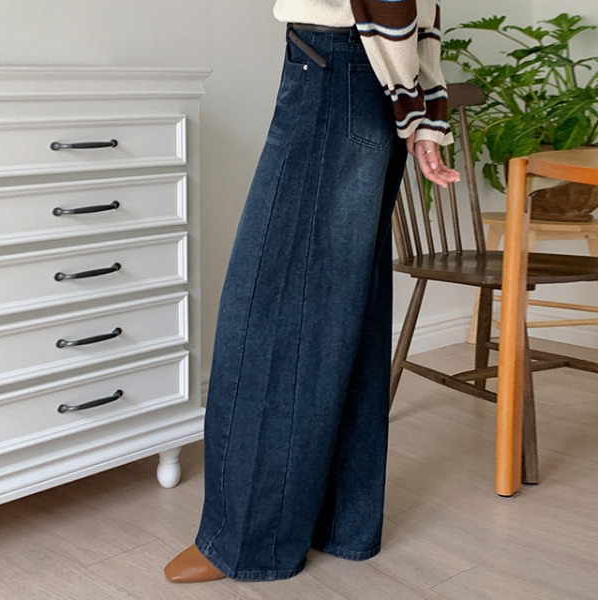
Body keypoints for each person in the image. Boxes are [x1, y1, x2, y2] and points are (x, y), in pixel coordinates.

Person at [164, 0, 459, 584]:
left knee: (272, 307)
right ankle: (338, 522)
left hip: (339, 64)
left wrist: (412, 104)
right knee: (344, 303)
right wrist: (419, 106)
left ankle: (249, 542)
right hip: (369, 66)